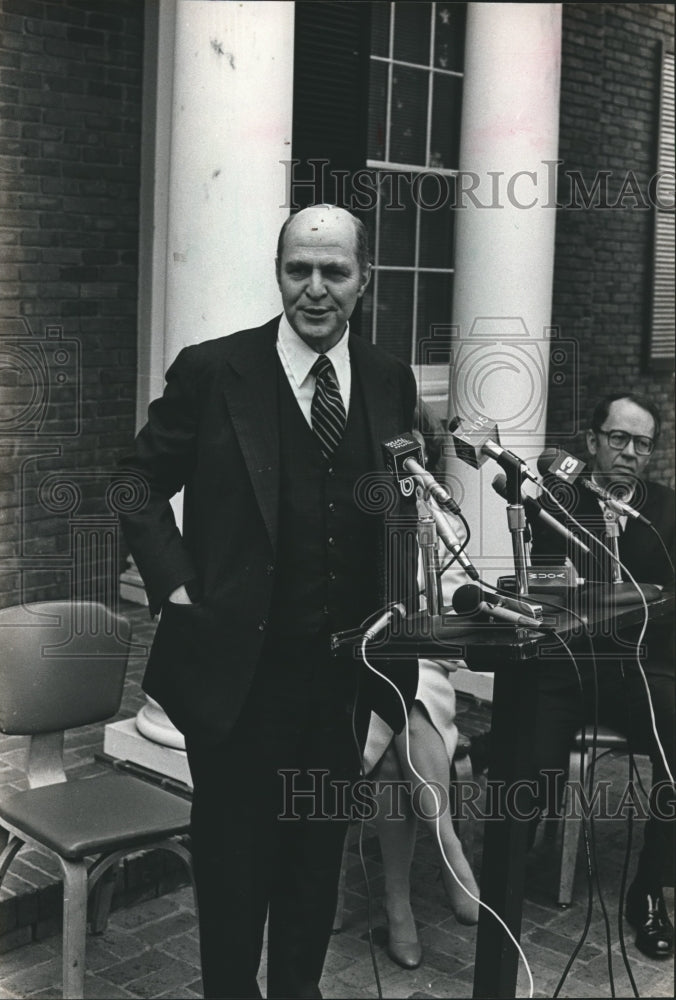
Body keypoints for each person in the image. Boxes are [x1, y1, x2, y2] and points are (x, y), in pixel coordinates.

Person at [117, 204, 420, 999]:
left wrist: (398, 642)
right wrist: (179, 590)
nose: (314, 290)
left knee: (314, 865)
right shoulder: (215, 371)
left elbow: (400, 516)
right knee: (232, 867)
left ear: (364, 281)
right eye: (298, 270)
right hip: (238, 681)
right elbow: (136, 485)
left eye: (335, 272)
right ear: (279, 271)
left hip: (341, 680)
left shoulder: (389, 380)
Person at [530, 392, 675, 960]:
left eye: (642, 443)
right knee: (528, 746)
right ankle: (510, 872)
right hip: (571, 670)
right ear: (591, 442)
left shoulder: (666, 510)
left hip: (641, 670)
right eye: (618, 439)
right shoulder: (556, 501)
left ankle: (649, 891)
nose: (629, 453)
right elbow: (541, 586)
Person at [362, 403, 480, 970]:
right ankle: (448, 844)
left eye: (414, 438)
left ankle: (399, 902)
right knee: (393, 713)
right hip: (361, 663)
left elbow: (456, 611)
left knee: (399, 727)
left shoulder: (444, 517)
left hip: (425, 665)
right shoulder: (356, 507)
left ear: (426, 449)